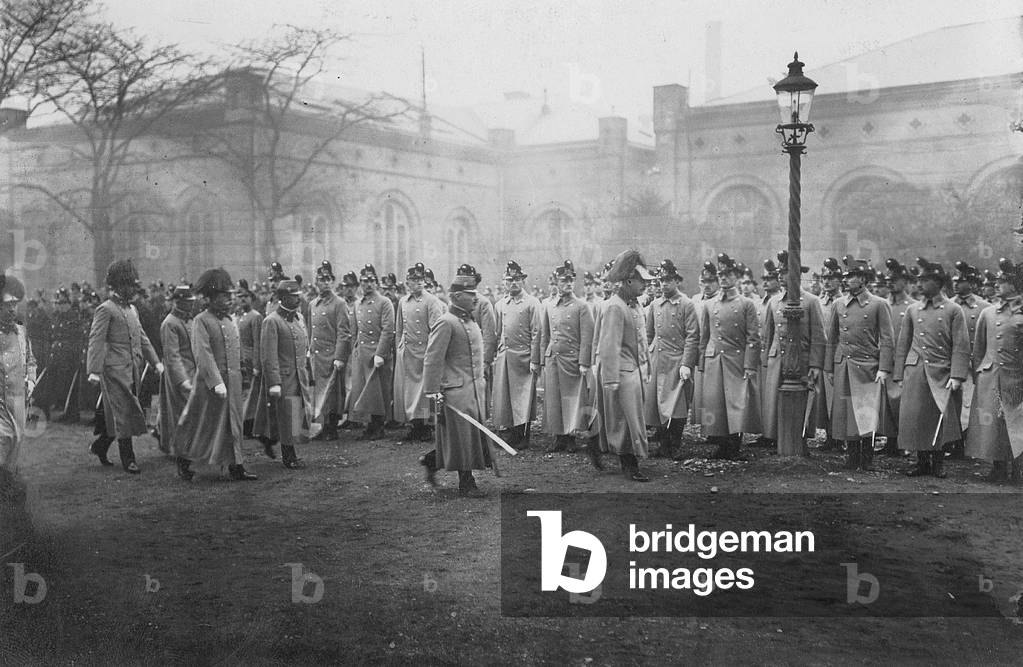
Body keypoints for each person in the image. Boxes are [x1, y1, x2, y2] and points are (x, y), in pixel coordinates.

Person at [173, 268, 257, 481]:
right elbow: (203, 354)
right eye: (224, 296)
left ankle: (236, 466)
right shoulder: (201, 321)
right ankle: (184, 460)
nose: (230, 299)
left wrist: (243, 376)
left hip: (234, 381)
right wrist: (215, 382)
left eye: (230, 295)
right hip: (211, 385)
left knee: (234, 424)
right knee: (204, 425)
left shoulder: (230, 321)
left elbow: (236, 351)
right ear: (210, 298)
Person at [894, 258, 970, 478]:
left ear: (938, 282)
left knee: (939, 417)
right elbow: (903, 343)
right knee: (917, 417)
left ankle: (937, 464)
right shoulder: (913, 310)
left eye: (925, 280)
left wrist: (957, 375)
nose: (919, 285)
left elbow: (961, 346)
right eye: (918, 281)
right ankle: (921, 462)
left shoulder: (953, 310)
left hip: (942, 371)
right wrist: (900, 373)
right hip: (917, 370)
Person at [86, 259, 163, 473]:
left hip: (132, 369)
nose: (133, 289)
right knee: (125, 411)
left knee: (120, 413)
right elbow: (96, 340)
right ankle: (128, 458)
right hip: (113, 370)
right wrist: (93, 369)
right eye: (129, 285)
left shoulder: (133, 310)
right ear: (119, 285)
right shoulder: (105, 309)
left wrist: (156, 362)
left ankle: (100, 446)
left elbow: (142, 337)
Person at [419, 274, 493, 497]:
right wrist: (432, 392)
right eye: (471, 295)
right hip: (455, 391)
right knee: (462, 437)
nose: (475, 299)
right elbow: (433, 358)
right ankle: (466, 482)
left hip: (473, 390)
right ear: (458, 297)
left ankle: (431, 461)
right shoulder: (446, 322)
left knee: (465, 437)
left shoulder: (470, 321)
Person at [825, 256, 895, 471]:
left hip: (867, 366)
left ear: (864, 279)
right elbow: (832, 338)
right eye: (847, 276)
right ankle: (852, 455)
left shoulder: (879, 305)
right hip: (844, 364)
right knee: (847, 411)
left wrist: (884, 368)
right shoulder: (838, 304)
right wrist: (829, 367)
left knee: (866, 411)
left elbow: (887, 339)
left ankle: (867, 457)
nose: (848, 280)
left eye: (853, 276)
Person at [593, 249, 654, 481]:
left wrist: (645, 367)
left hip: (635, 371)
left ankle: (598, 446)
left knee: (629, 418)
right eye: (641, 281)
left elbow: (641, 340)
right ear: (628, 280)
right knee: (627, 420)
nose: (645, 286)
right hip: (621, 372)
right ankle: (630, 464)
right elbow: (609, 347)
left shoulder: (635, 305)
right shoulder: (615, 307)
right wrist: (610, 379)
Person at [760, 251, 826, 456]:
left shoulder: (811, 301)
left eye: (785, 272)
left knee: (802, 402)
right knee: (775, 402)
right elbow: (768, 335)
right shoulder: (773, 302)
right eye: (779, 272)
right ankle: (781, 441)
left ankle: (801, 442)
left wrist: (815, 364)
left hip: (801, 359)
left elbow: (818, 336)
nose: (780, 276)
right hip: (777, 359)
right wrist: (765, 362)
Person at [697, 253, 761, 461]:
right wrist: (701, 362)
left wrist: (750, 365)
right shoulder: (709, 304)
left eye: (728, 274)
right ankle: (721, 444)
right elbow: (704, 336)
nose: (723, 278)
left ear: (736, 277)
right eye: (720, 275)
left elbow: (753, 338)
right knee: (716, 403)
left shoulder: (746, 304)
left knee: (736, 403)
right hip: (714, 359)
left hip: (736, 359)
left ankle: (734, 444)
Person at [965, 258, 1023, 482]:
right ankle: (997, 467)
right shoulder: (988, 313)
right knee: (995, 426)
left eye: (1004, 280)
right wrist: (980, 372)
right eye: (998, 280)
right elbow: (978, 349)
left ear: (1016, 284)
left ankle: (1018, 470)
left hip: (1016, 376)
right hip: (991, 376)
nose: (998, 283)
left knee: (1017, 423)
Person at [537, 260, 595, 453]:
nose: (568, 284)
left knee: (571, 399)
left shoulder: (582, 306)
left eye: (571, 280)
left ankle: (571, 436)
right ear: (557, 282)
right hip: (553, 358)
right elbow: (544, 334)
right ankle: (559, 437)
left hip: (572, 360)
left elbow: (588, 337)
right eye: (564, 280)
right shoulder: (549, 305)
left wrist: (584, 362)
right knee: (554, 399)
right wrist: (540, 360)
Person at [644, 259, 699, 460]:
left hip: (677, 359)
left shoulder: (687, 304)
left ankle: (674, 444)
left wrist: (687, 363)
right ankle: (662, 442)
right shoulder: (654, 305)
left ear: (676, 280)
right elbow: (648, 335)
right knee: (657, 402)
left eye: (668, 280)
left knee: (676, 404)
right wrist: (646, 358)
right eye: (660, 280)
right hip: (658, 358)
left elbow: (693, 335)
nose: (663, 284)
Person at [492, 260, 542, 447]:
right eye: (510, 279)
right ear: (504, 281)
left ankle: (523, 436)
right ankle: (511, 433)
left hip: (524, 356)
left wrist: (535, 360)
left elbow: (537, 333)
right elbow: (498, 332)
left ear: (523, 281)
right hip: (506, 355)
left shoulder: (532, 303)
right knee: (506, 397)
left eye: (517, 279)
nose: (513, 283)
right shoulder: (500, 305)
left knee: (522, 398)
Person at [394, 262, 446, 441]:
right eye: (413, 279)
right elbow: (399, 329)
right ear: (407, 282)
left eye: (420, 279)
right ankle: (414, 424)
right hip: (408, 352)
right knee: (409, 391)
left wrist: (433, 355)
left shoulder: (432, 301)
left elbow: (438, 331)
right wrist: (399, 348)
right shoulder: (403, 302)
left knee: (424, 393)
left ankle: (425, 426)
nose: (418, 282)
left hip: (424, 352)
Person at [347, 264, 395, 440]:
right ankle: (368, 425)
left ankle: (378, 426)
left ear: (376, 282)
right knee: (362, 390)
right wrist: (356, 349)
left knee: (378, 392)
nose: (368, 284)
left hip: (377, 354)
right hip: (362, 353)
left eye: (371, 280)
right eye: (364, 281)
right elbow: (354, 330)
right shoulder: (358, 303)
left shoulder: (384, 302)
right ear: (360, 283)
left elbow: (388, 329)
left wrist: (380, 354)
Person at [308, 261, 351, 441]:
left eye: (328, 279)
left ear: (332, 281)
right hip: (317, 355)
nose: (325, 282)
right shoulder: (313, 304)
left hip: (331, 355)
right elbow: (311, 330)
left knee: (332, 393)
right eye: (321, 279)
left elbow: (344, 333)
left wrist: (340, 357)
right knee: (318, 392)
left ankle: (331, 428)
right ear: (316, 281)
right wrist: (309, 350)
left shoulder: (339, 303)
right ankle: (323, 425)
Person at [879, 258, 917, 457]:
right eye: (888, 279)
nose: (890, 282)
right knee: (886, 403)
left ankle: (904, 442)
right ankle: (891, 441)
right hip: (886, 361)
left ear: (905, 282)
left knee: (903, 403)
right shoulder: (882, 305)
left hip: (906, 362)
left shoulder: (913, 307)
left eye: (895, 279)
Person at [0, 274, 36, 476]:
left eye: (15, 304)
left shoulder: (21, 332)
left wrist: (31, 380)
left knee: (16, 442)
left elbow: (31, 360)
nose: (13, 309)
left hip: (18, 400)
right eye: (8, 304)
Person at [158, 283, 196, 456]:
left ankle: (188, 448)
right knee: (179, 414)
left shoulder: (189, 320)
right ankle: (179, 450)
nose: (191, 304)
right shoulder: (170, 323)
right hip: (178, 376)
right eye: (188, 301)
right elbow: (172, 356)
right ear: (178, 302)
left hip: (193, 373)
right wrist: (182, 380)